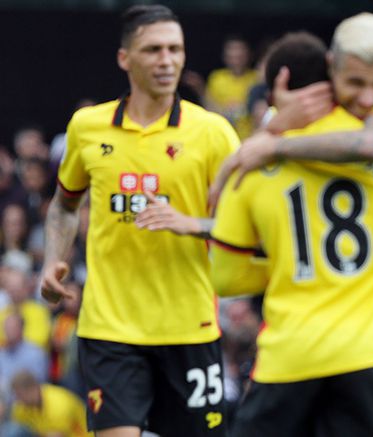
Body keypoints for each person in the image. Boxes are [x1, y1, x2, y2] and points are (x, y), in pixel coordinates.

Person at [215, 17, 373, 436]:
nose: (370, 97)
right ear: (330, 68)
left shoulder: (260, 156)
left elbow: (225, 274)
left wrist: (271, 136)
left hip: (297, 349)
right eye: (356, 82)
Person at [39, 5, 239, 436]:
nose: (166, 60)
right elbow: (63, 204)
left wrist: (196, 224)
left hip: (189, 327)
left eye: (175, 49)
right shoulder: (87, 128)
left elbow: (250, 222)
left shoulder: (214, 132)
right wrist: (53, 259)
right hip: (110, 328)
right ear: (125, 58)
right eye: (153, 50)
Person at [9, 370, 89, 437]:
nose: (18, 400)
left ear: (33, 389)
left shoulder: (59, 404)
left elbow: (58, 435)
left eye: (20, 395)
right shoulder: (21, 407)